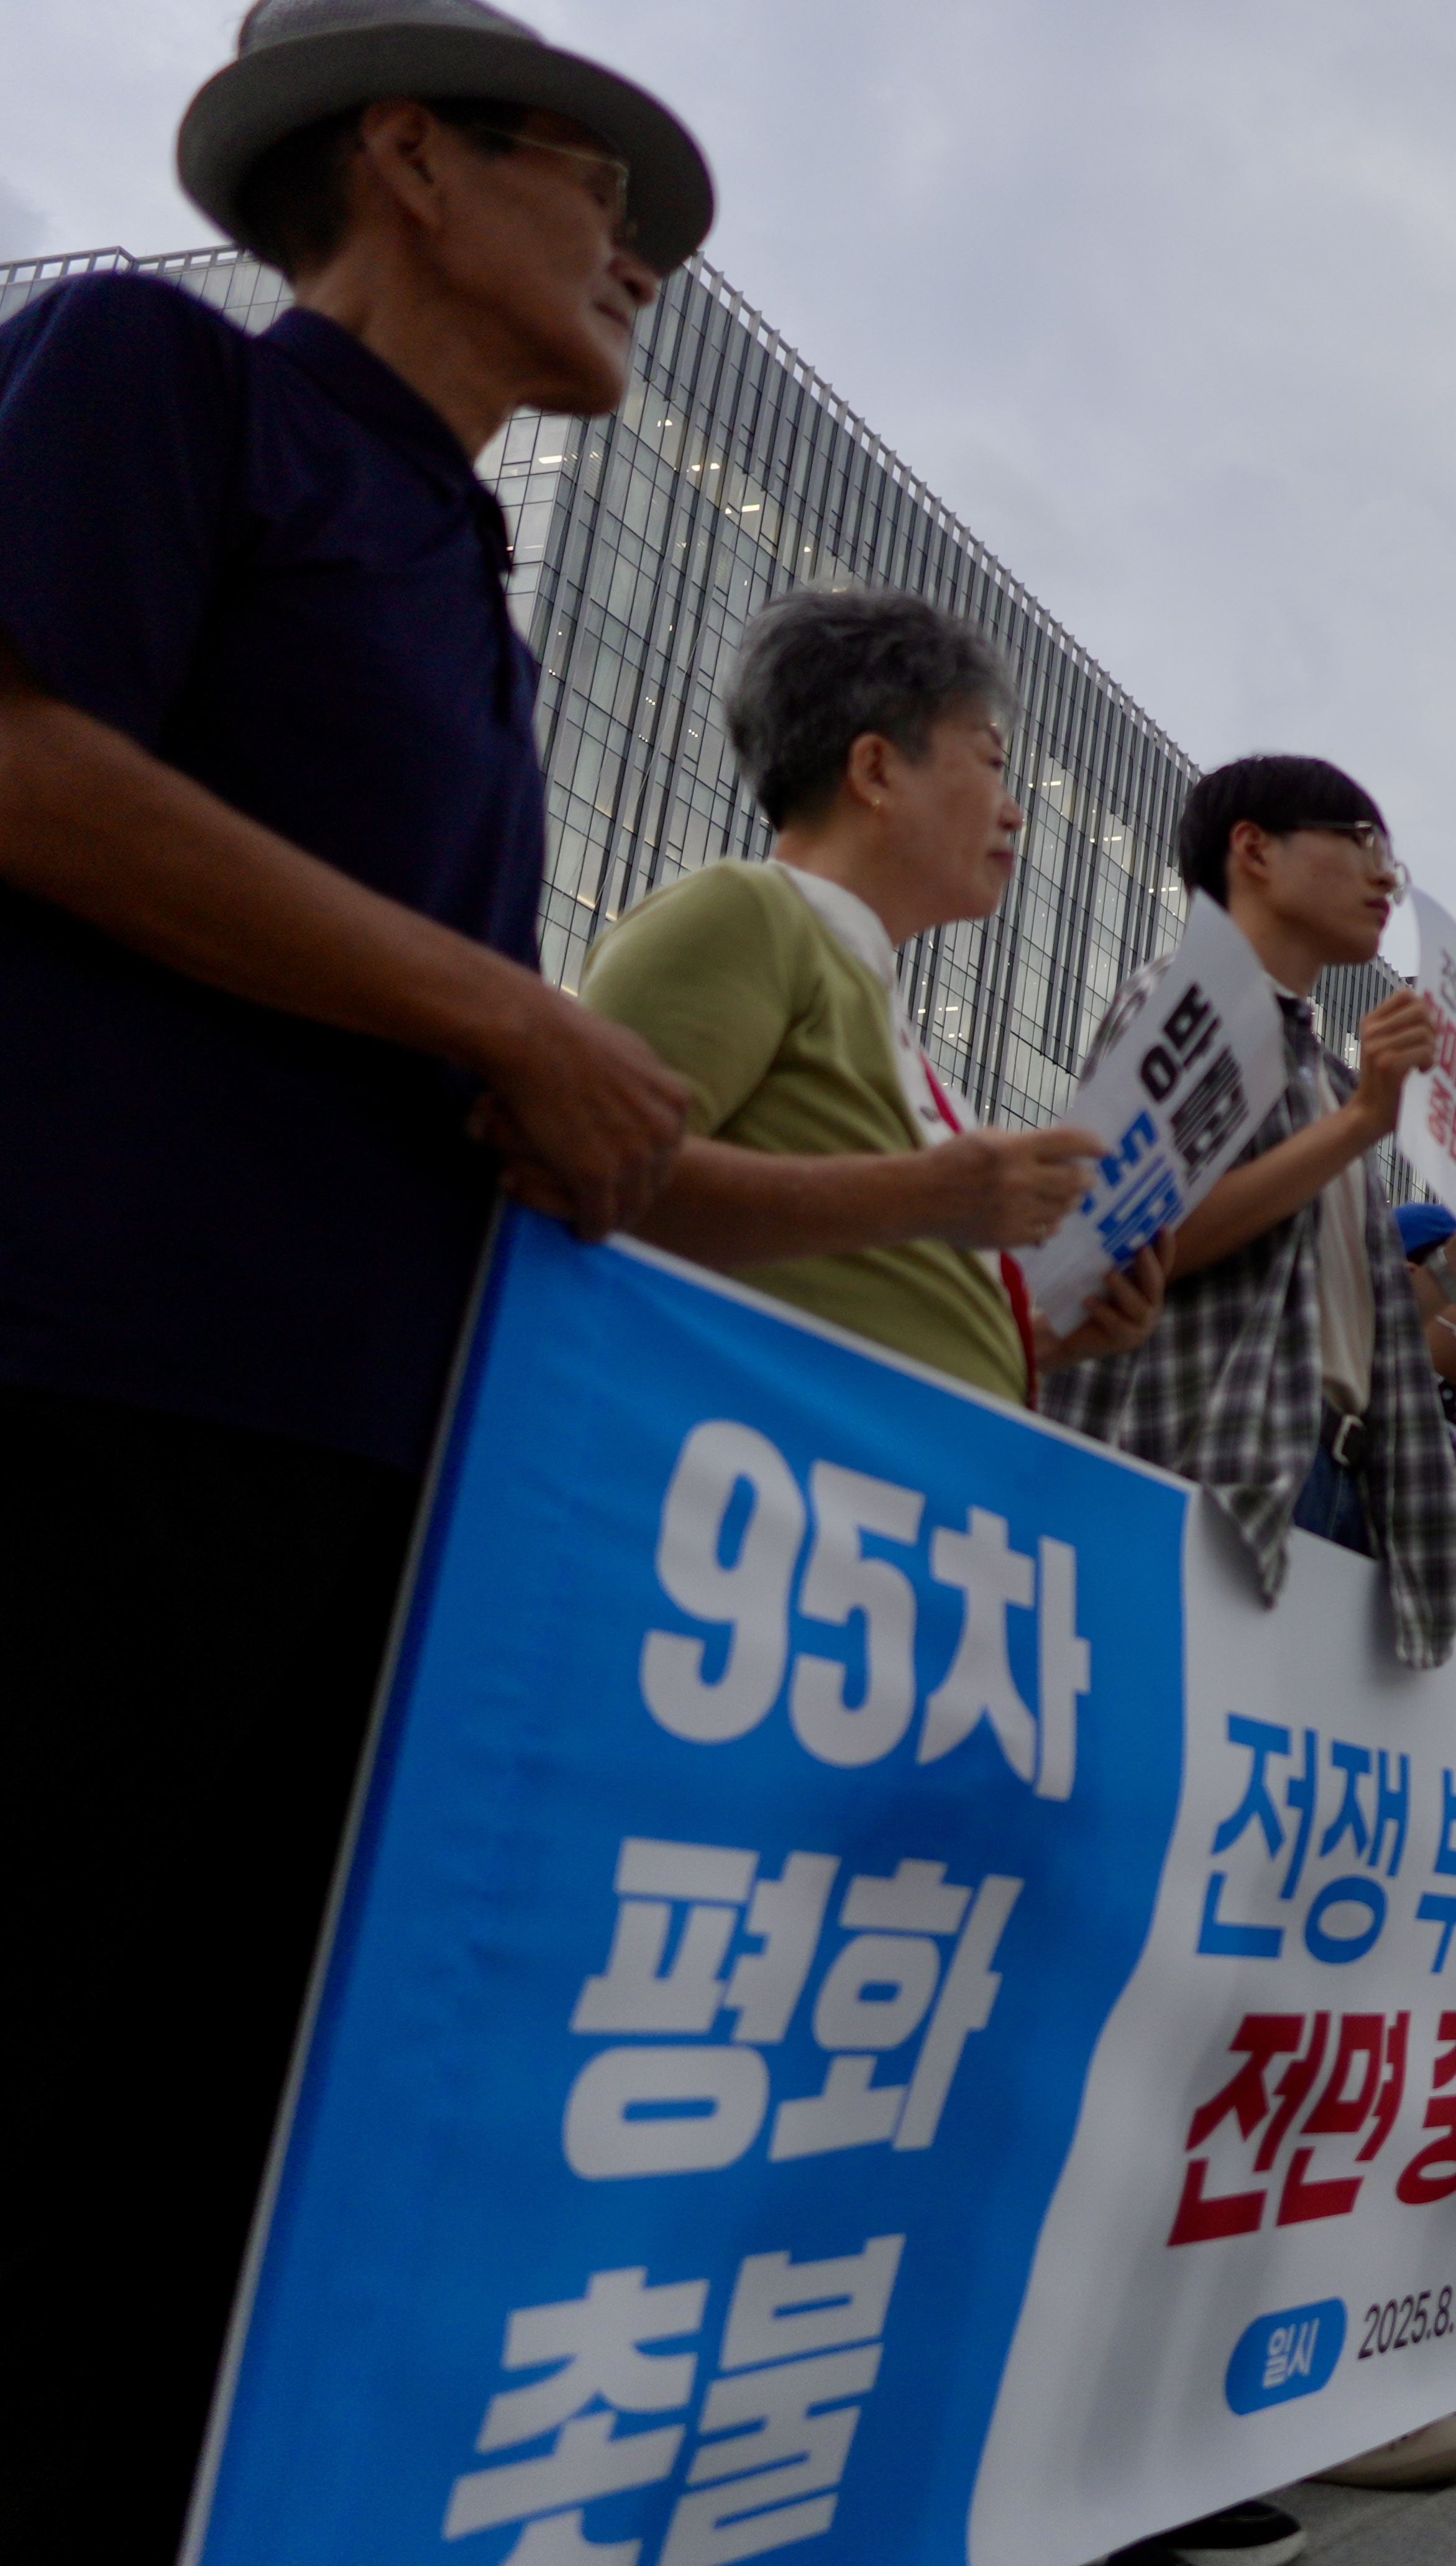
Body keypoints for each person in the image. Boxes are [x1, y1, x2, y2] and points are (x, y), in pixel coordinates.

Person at [0, 7, 713, 2534]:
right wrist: (501, 1014)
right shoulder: (160, 375)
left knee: (200, 2152)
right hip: (95, 1375)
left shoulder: (474, 596)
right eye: (593, 180)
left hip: (371, 1468)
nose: (638, 253)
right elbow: (23, 755)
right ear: (404, 156)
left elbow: (475, 1059)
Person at [579, 588, 1163, 1397]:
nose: (1015, 815)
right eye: (991, 763)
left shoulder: (870, 1001)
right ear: (876, 770)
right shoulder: (747, 912)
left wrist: (1035, 1341)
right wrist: (929, 1195)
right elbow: (588, 1168)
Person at [1037, 756, 1456, 1664]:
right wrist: (1363, 1122)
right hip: (1228, 1462)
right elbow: (1123, 1240)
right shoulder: (1181, 1003)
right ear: (1255, 850)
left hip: (1337, 1474)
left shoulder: (1321, 1073)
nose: (1387, 880)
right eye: (1363, 843)